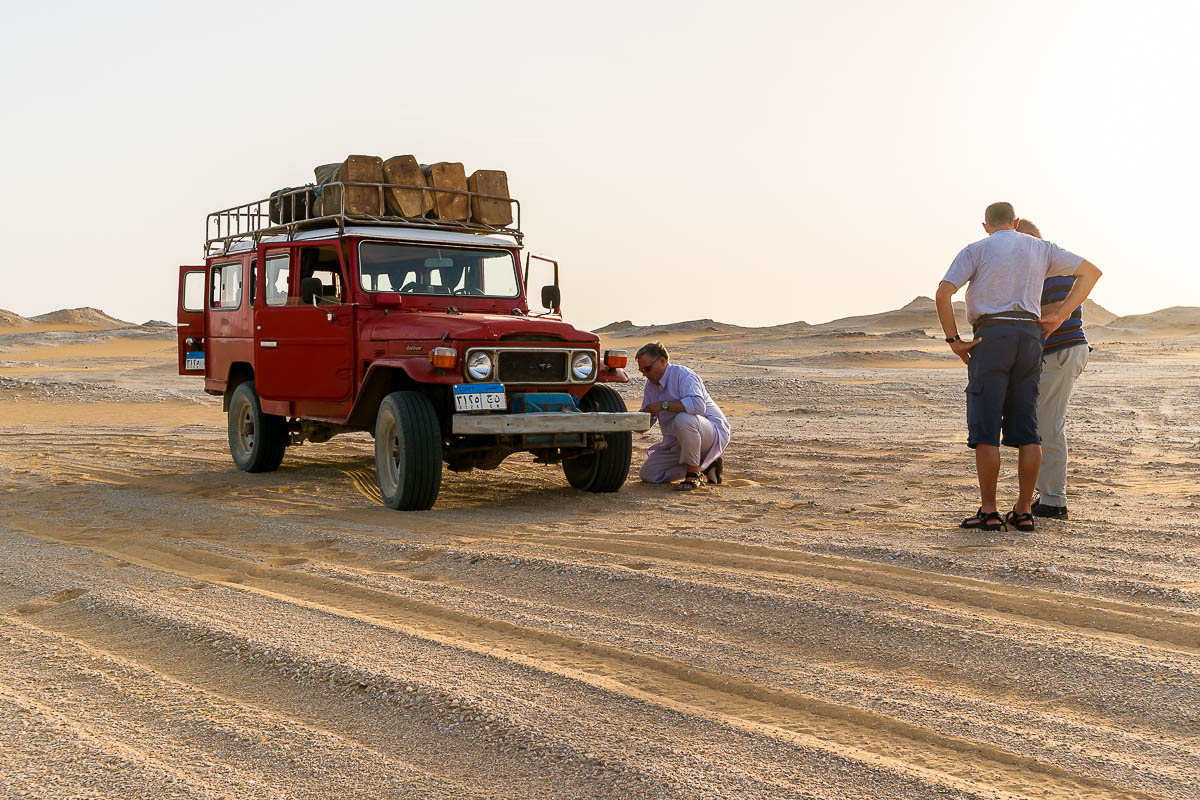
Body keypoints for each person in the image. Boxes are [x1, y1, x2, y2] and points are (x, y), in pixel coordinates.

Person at [936, 202, 1101, 532]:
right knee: (1028, 427)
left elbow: (943, 293)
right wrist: (1061, 314)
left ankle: (989, 511)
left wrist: (954, 340)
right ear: (1014, 222)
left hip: (992, 335)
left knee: (986, 429)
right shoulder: (1041, 249)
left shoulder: (976, 249)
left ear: (986, 226)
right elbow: (1091, 272)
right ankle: (1025, 510)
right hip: (1029, 337)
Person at [1017, 219, 1089, 519]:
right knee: (1044, 424)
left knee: (1049, 426)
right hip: (1055, 354)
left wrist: (1018, 309)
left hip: (1061, 352)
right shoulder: (1041, 269)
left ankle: (1054, 500)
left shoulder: (1055, 268)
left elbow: (1061, 307)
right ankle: (1047, 494)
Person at [636, 342, 730, 490]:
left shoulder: (683, 375)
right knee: (649, 474)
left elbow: (698, 405)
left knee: (683, 419)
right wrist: (634, 420)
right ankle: (707, 463)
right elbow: (643, 427)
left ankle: (693, 474)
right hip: (677, 441)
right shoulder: (650, 386)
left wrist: (662, 405)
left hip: (711, 432)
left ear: (662, 361)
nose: (644, 374)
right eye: (641, 369)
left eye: (647, 368)